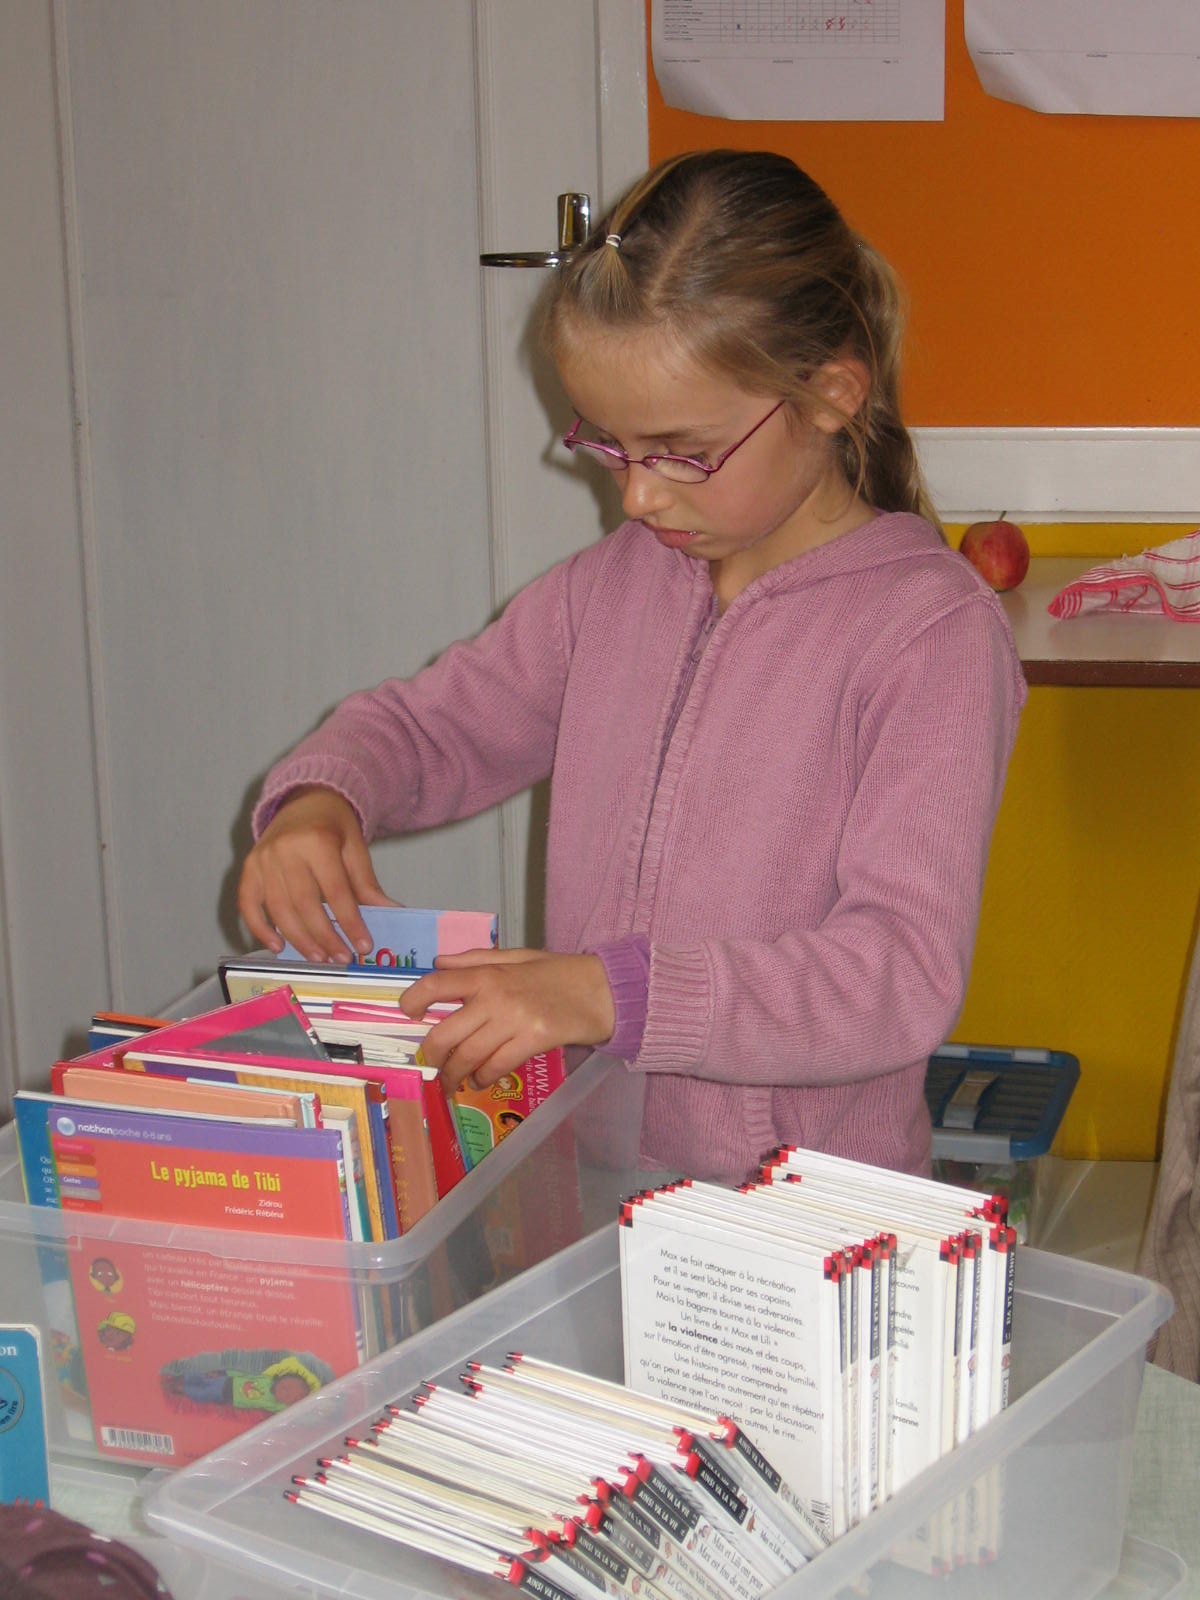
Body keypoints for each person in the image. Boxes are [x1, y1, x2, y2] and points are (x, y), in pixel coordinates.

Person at [238, 150, 1026, 1184]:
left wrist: (614, 994)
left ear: (832, 395)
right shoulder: (611, 589)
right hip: (599, 1170)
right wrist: (323, 796)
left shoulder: (929, 636)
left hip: (805, 1208)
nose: (638, 497)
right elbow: (433, 727)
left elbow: (896, 975)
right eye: (609, 445)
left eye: (681, 451)